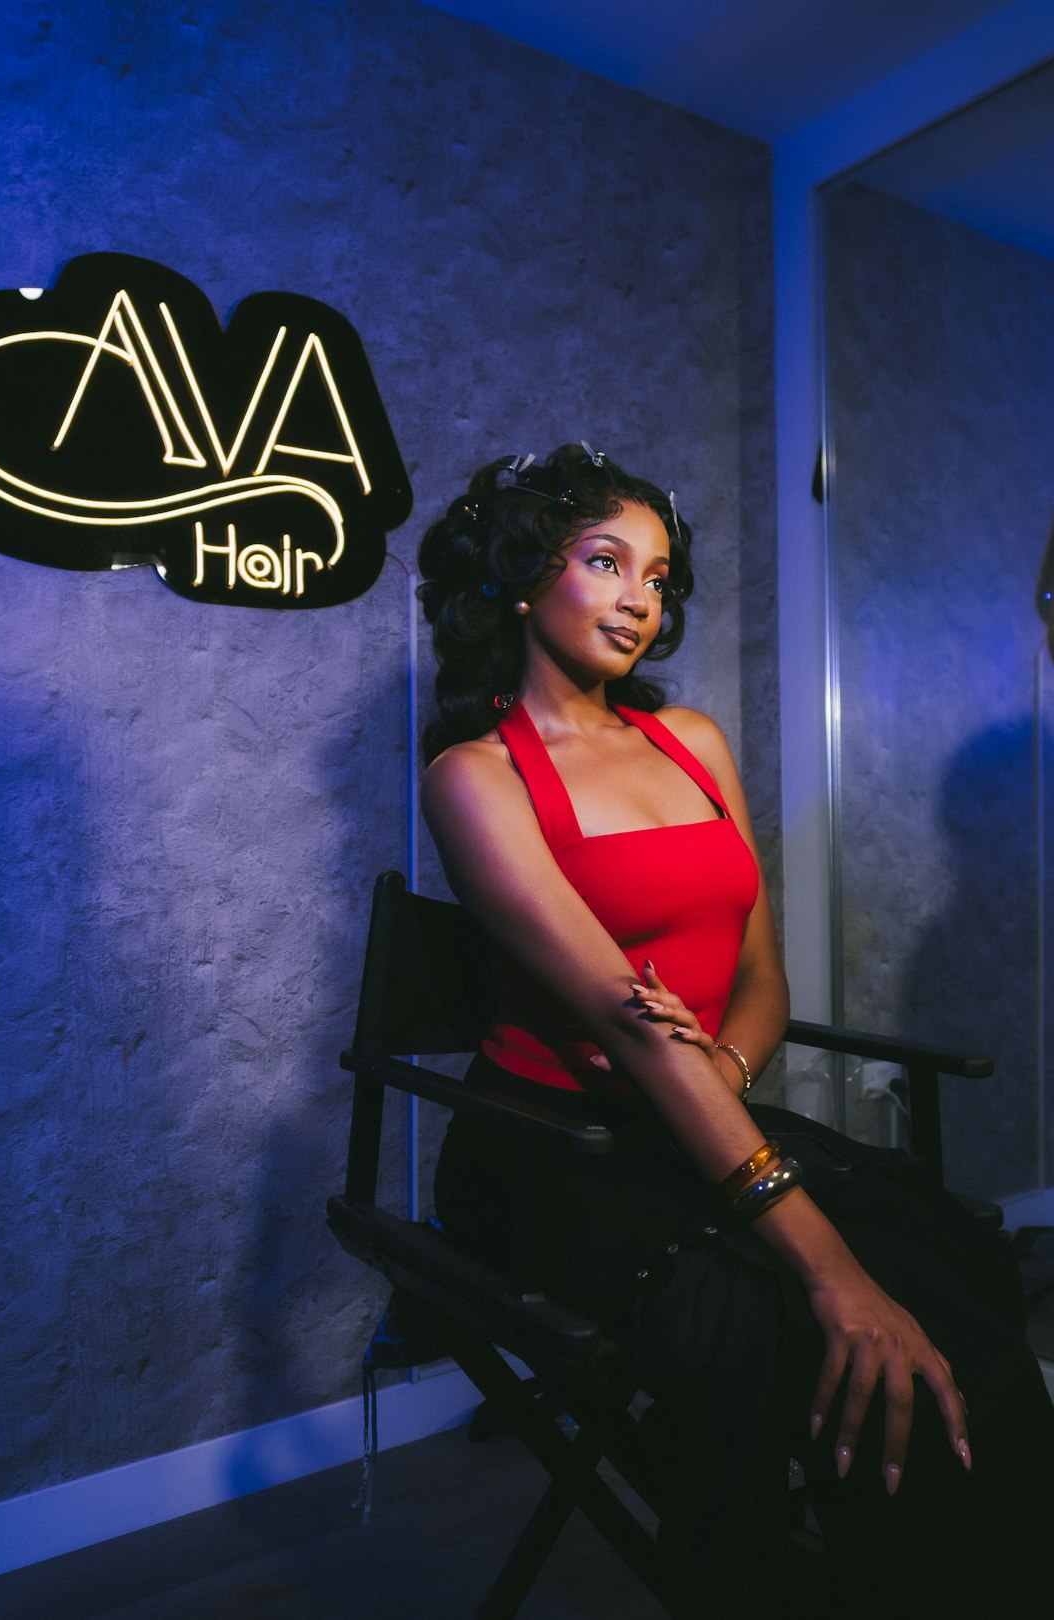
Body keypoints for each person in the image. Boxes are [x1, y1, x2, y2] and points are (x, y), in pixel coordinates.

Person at [416, 442, 1053, 1616]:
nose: (639, 601)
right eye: (605, 562)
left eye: (658, 577)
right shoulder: (476, 777)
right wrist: (831, 1272)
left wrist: (725, 1059)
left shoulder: (692, 742)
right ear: (521, 577)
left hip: (702, 1111)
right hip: (550, 1149)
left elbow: (762, 978)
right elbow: (630, 1027)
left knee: (952, 1301)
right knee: (788, 1319)